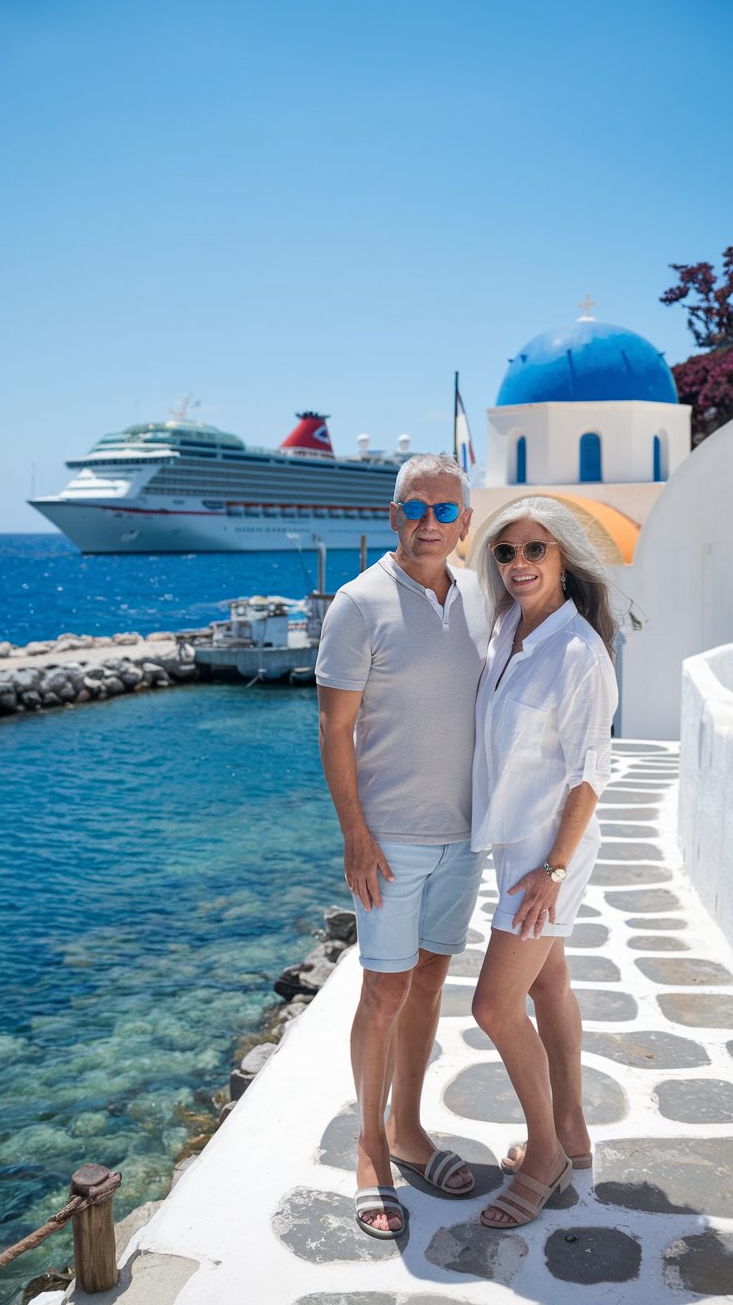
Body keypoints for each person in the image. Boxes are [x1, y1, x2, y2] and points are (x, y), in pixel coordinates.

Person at [316, 454, 489, 1239]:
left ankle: (409, 1131)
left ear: (465, 520)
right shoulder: (357, 604)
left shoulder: (481, 598)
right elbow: (336, 727)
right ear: (392, 514)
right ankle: (368, 1148)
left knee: (427, 986)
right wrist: (355, 835)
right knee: (383, 992)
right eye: (415, 507)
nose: (429, 522)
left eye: (445, 511)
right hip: (390, 841)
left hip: (466, 835)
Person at [470, 496, 618, 1230]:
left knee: (494, 1006)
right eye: (507, 552)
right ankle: (574, 1131)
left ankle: (547, 1160)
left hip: (548, 856)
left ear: (562, 561)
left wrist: (554, 870)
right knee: (550, 982)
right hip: (515, 845)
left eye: (535, 551)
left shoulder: (578, 650)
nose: (519, 564)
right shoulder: (505, 628)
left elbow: (591, 773)